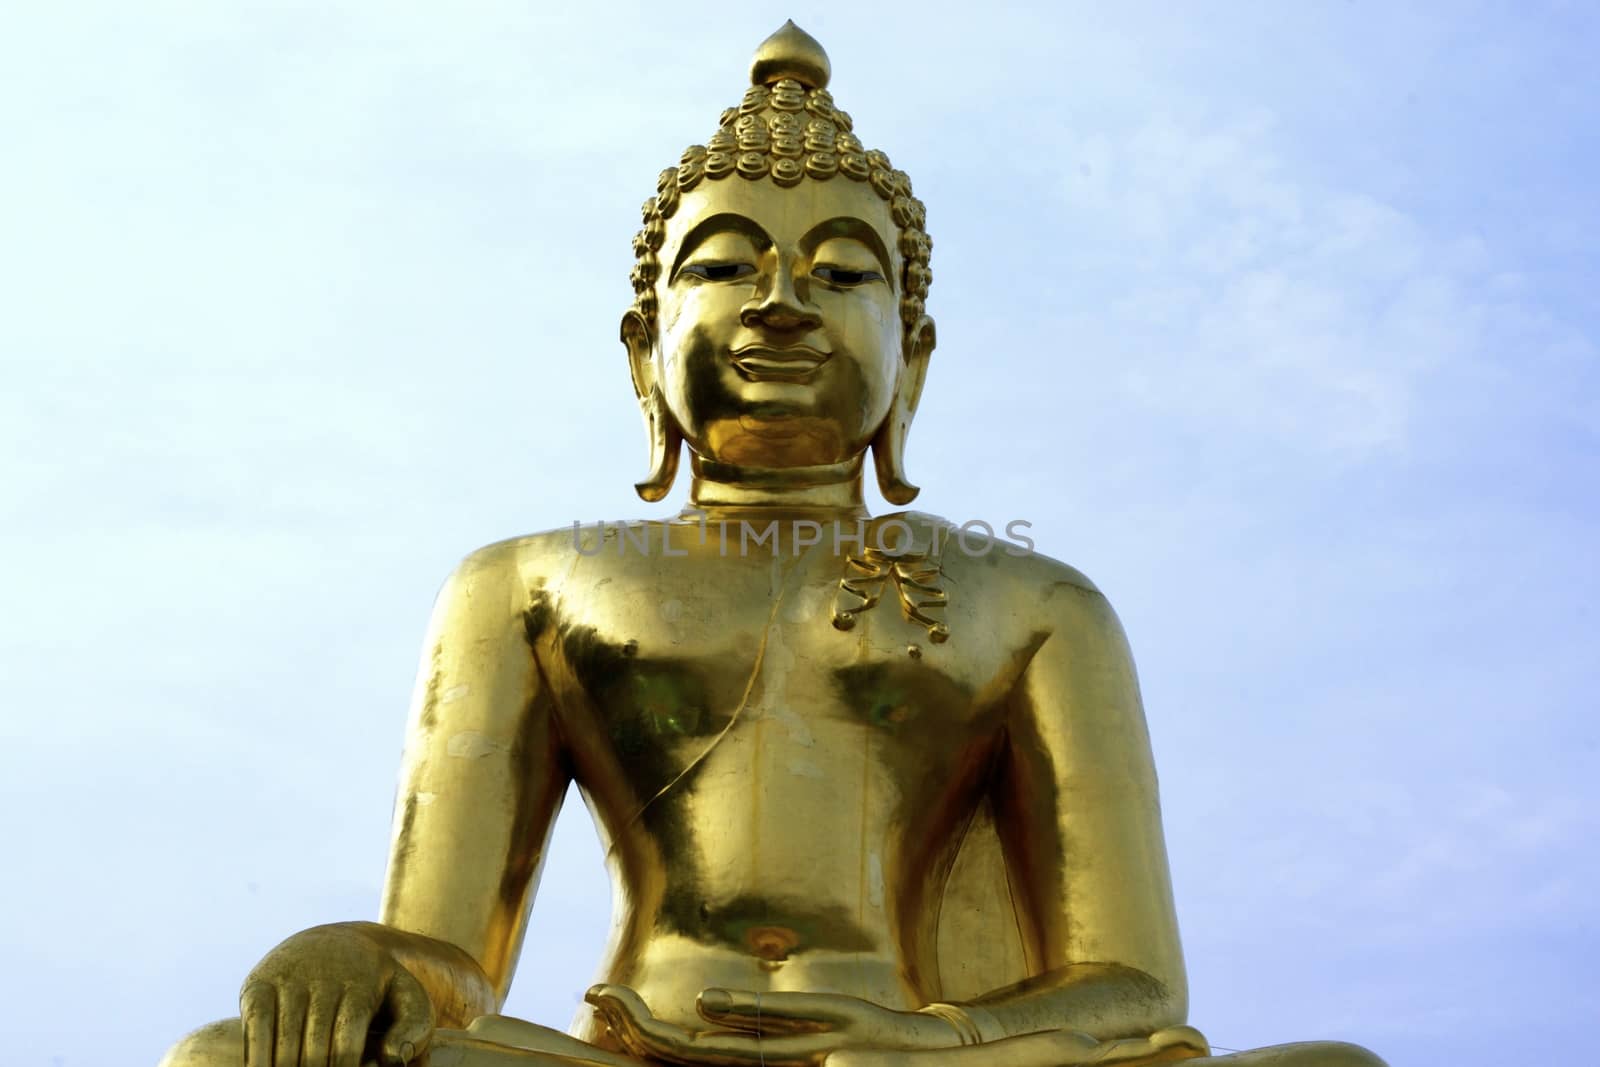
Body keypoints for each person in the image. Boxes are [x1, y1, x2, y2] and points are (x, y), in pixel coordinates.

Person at [162, 23, 1385, 1067]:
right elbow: (450, 960)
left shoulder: (1033, 599)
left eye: (841, 270)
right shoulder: (527, 583)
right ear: (646, 350)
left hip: (906, 1050)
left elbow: (1132, 984)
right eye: (726, 264)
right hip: (637, 1045)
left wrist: (937, 1041)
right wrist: (358, 956)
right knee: (224, 1058)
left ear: (912, 353)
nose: (782, 299)